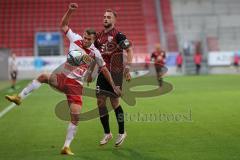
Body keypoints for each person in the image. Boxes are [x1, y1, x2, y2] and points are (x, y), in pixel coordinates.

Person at [5, 3, 120, 155]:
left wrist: (113, 85)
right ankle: (19, 97)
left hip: (76, 86)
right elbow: (64, 25)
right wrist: (70, 11)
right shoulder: (76, 39)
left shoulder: (95, 53)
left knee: (75, 117)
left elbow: (104, 69)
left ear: (93, 39)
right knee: (43, 76)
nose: (85, 40)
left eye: (88, 39)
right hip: (62, 79)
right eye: (84, 37)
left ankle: (66, 146)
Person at [92, 9, 133, 147]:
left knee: (115, 102)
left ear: (114, 20)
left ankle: (122, 132)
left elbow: (129, 50)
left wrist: (127, 68)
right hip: (102, 72)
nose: (105, 19)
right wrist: (90, 71)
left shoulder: (119, 35)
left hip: (115, 73)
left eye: (108, 17)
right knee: (100, 102)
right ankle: (107, 133)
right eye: (104, 16)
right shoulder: (98, 37)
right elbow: (93, 54)